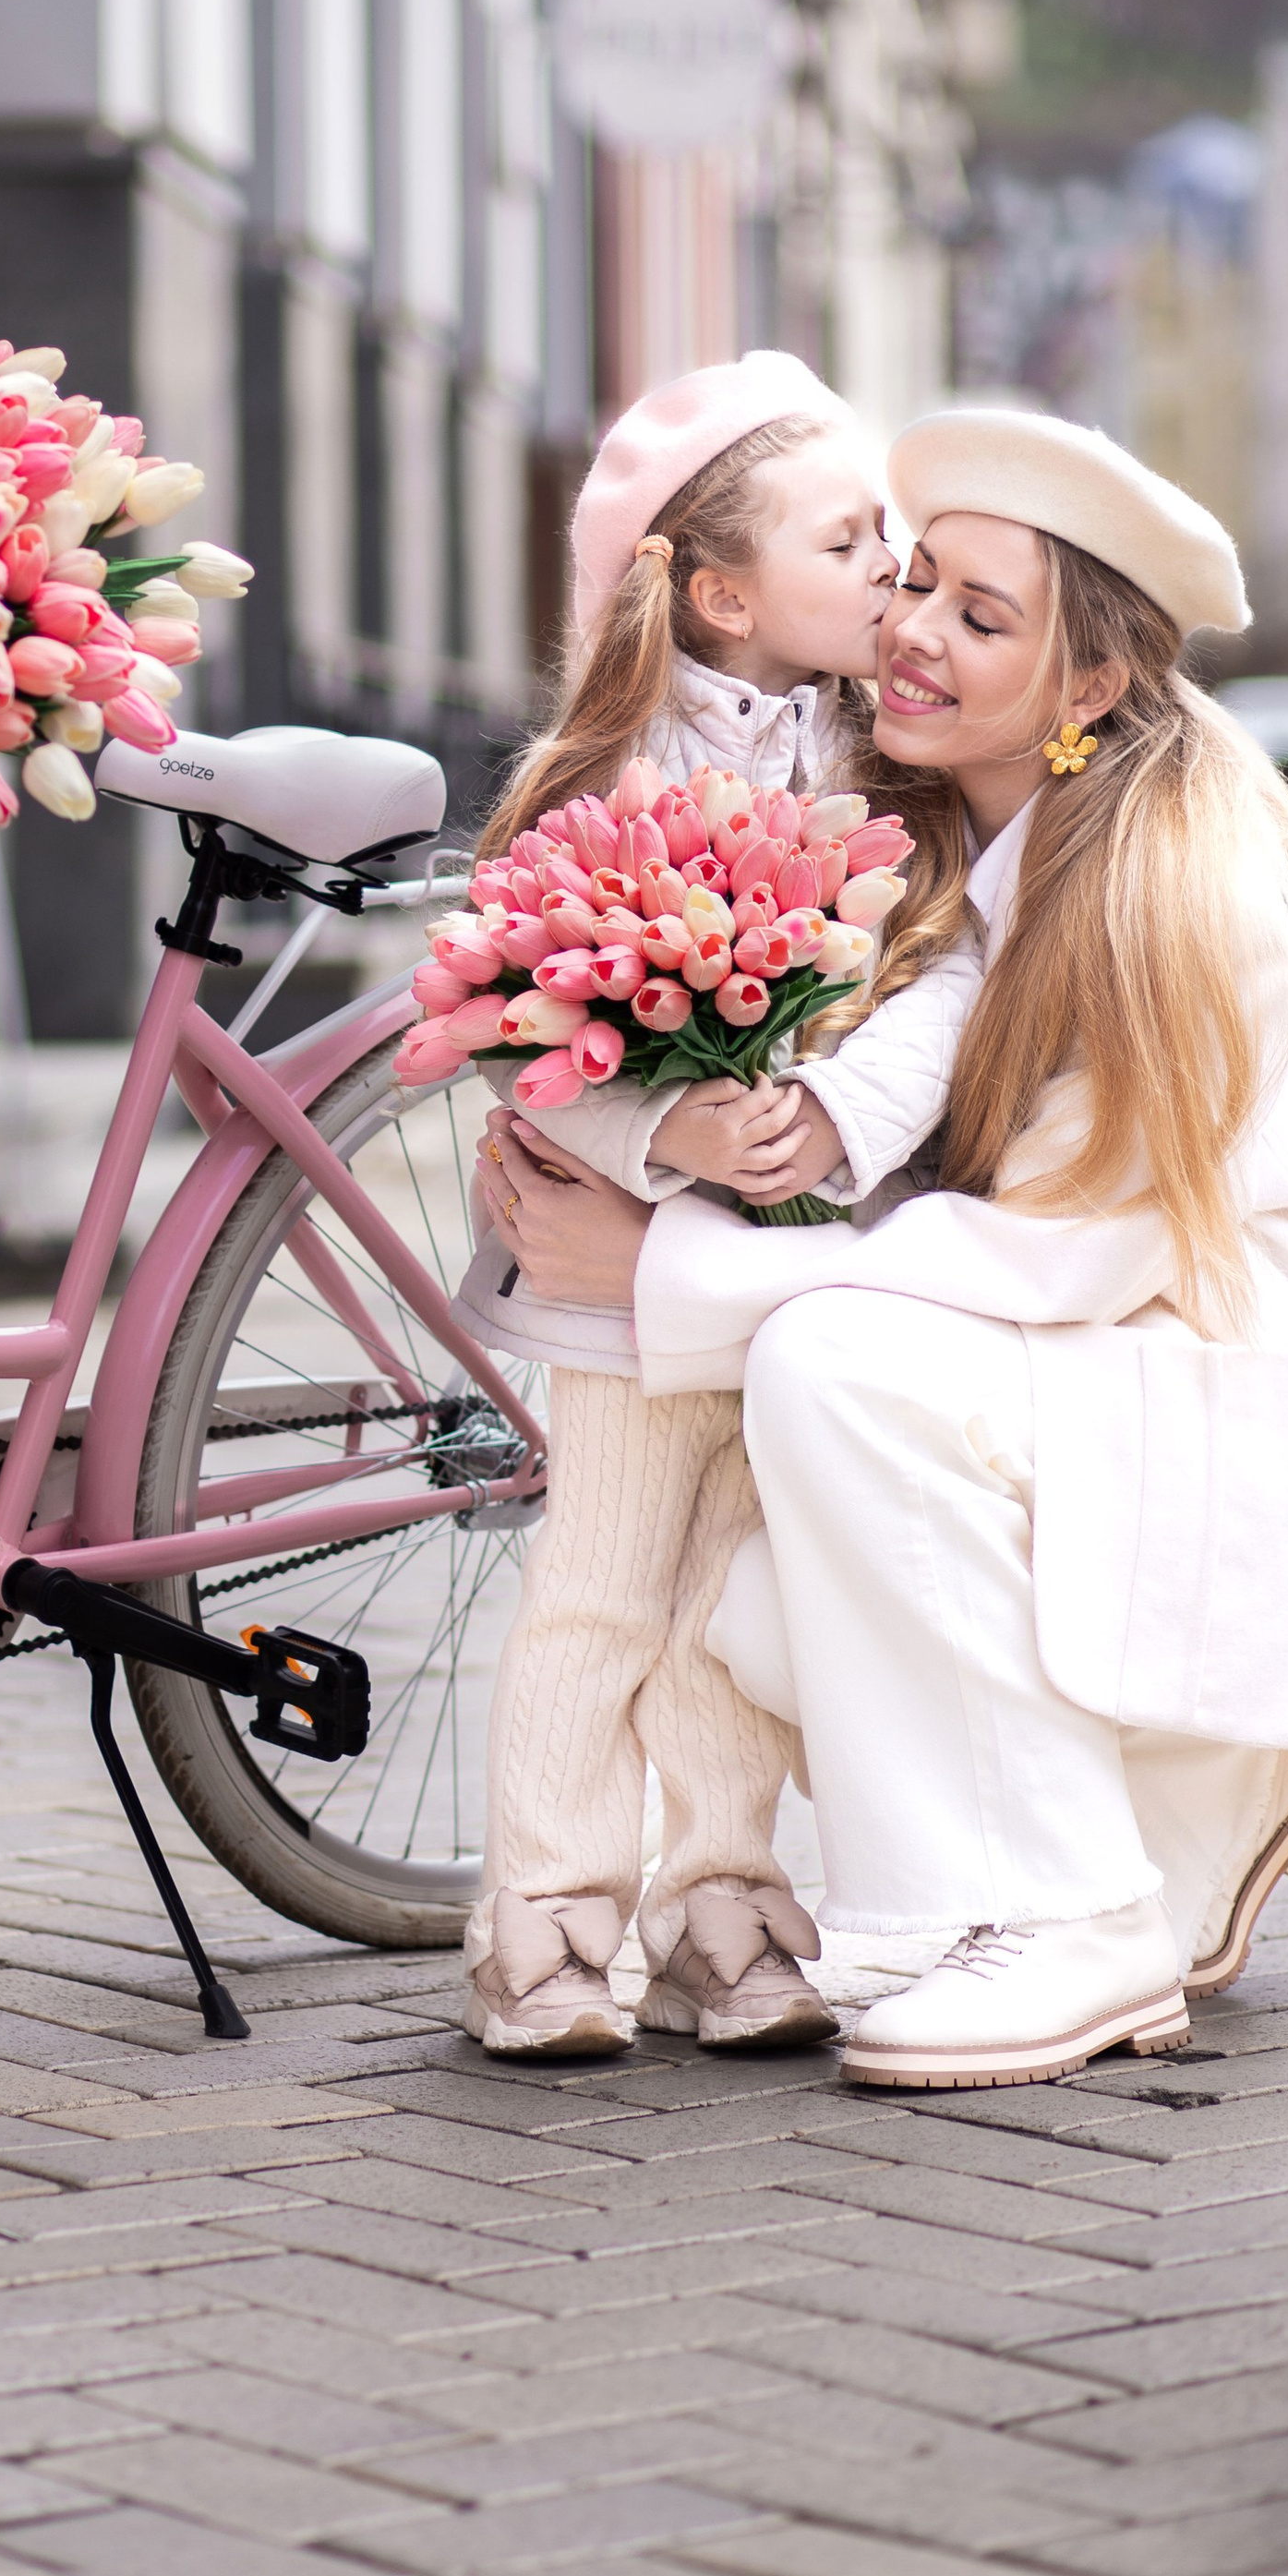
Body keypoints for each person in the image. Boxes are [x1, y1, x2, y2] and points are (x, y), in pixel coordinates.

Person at [481, 406, 1288, 2092]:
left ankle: (1073, 1917)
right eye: (913, 582)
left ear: (1087, 689)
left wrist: (654, 1272)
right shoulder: (912, 833)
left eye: (979, 617)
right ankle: (1180, 1810)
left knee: (838, 1368)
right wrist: (644, 1149)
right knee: (753, 1600)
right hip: (1079, 1382)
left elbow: (1063, 1255)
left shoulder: (1175, 883)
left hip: (1211, 1380)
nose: (910, 630)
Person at [454, 350, 908, 2061]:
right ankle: (547, 1919)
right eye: (849, 541)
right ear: (722, 592)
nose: (892, 571)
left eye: (894, 540)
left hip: (790, 1260)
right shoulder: (613, 776)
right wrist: (678, 1145)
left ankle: (723, 1902)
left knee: (738, 1581)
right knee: (605, 1581)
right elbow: (519, 1027)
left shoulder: (877, 758)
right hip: (623, 1264)